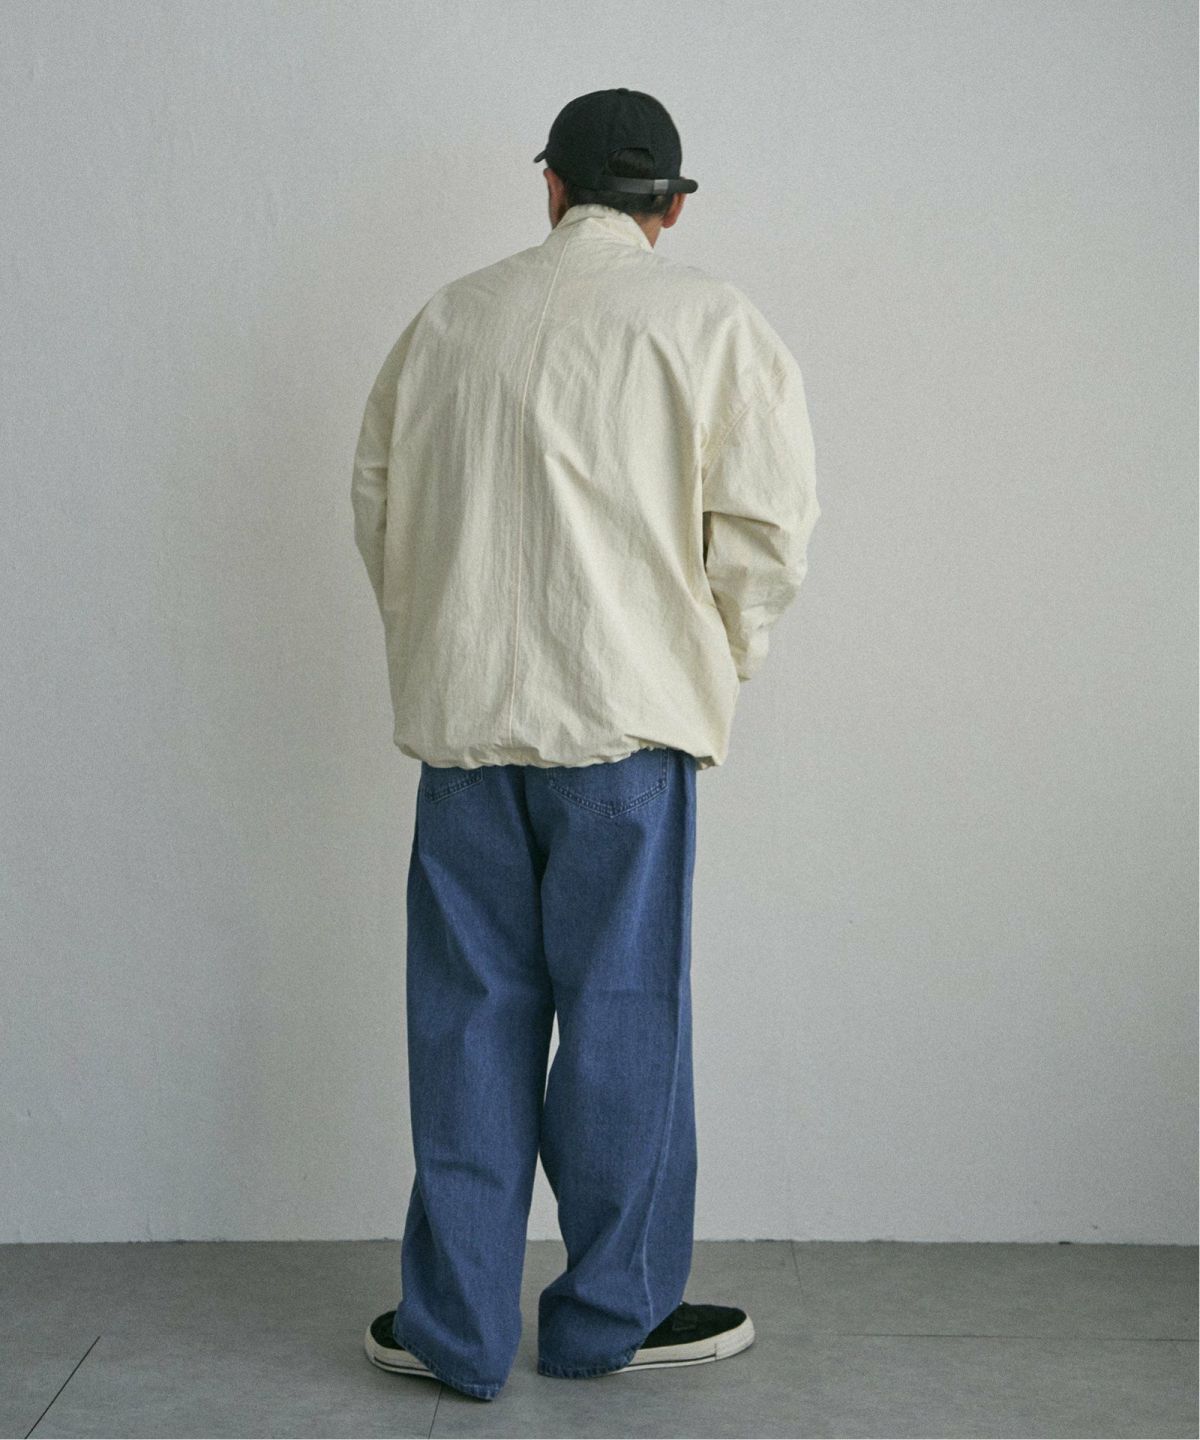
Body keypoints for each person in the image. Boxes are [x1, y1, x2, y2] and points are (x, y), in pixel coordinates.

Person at [352, 87, 820, 1403]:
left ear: (550, 186)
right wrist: (713, 660)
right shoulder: (711, 321)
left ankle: (453, 1327)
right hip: (626, 728)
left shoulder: (451, 319)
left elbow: (379, 501)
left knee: (466, 1020)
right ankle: (613, 1314)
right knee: (624, 1017)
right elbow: (769, 530)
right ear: (674, 206)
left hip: (466, 731)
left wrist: (439, 640)